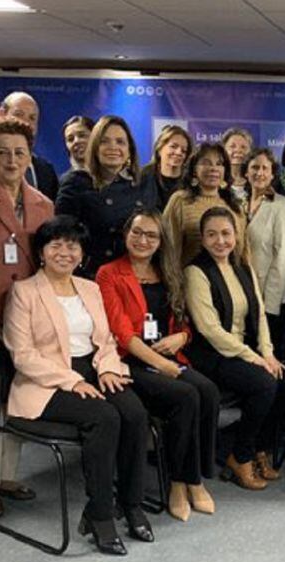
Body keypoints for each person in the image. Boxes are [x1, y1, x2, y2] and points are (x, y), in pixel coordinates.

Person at [4, 216, 151, 556]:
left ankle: (131, 504)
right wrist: (72, 381)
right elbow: (23, 356)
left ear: (82, 254)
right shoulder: (24, 291)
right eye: (56, 245)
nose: (64, 252)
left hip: (94, 368)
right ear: (41, 252)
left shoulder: (90, 288)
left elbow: (106, 341)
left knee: (134, 413)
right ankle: (100, 514)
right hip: (45, 380)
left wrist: (109, 369)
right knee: (104, 417)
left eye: (72, 245)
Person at [96, 209, 220, 522]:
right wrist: (162, 365)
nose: (143, 240)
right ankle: (179, 482)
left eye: (151, 235)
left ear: (161, 241)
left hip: (169, 356)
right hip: (132, 363)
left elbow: (184, 324)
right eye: (137, 232)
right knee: (186, 396)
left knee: (208, 391)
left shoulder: (168, 272)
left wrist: (181, 337)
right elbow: (122, 333)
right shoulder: (109, 273)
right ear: (126, 235)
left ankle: (194, 477)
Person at [0, 117, 54, 519]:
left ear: (30, 154)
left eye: (19, 151)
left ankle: (6, 476)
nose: (11, 159)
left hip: (24, 321)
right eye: (1, 151)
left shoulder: (42, 203)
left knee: (16, 402)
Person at [184, 207, 285, 490]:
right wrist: (254, 358)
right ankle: (239, 456)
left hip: (245, 351)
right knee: (265, 384)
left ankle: (260, 449)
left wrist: (267, 353)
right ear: (203, 240)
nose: (220, 241)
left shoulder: (243, 266)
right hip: (212, 354)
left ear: (236, 235)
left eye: (226, 233)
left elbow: (260, 314)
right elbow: (210, 330)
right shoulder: (196, 272)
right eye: (212, 235)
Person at [56, 115, 158, 278]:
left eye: (120, 142)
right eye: (104, 141)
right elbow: (62, 237)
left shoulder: (144, 183)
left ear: (129, 150)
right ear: (94, 147)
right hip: (91, 277)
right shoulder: (76, 182)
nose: (113, 147)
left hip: (135, 276)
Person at [242, 148, 285, 348]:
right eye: (255, 167)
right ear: (246, 172)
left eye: (265, 168)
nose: (260, 172)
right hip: (243, 294)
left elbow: (283, 258)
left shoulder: (283, 206)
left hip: (271, 301)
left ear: (273, 174)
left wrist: (269, 306)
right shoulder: (238, 203)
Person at [164, 142, 248, 268]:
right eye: (206, 163)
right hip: (190, 281)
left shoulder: (234, 206)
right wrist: (174, 284)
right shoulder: (180, 201)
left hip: (230, 281)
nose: (213, 168)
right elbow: (169, 251)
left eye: (219, 164)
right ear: (194, 170)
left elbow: (244, 253)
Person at [0, 91, 59, 200]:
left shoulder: (45, 169)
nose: (26, 123)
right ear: (1, 114)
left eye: (32, 118)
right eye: (18, 114)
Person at [142, 124, 193, 211]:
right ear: (159, 149)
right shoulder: (143, 177)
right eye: (173, 146)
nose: (179, 152)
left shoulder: (191, 181)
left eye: (184, 150)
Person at [221, 127, 253, 203]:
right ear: (223, 151)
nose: (238, 150)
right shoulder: (216, 179)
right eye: (232, 146)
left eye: (243, 147)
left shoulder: (258, 180)